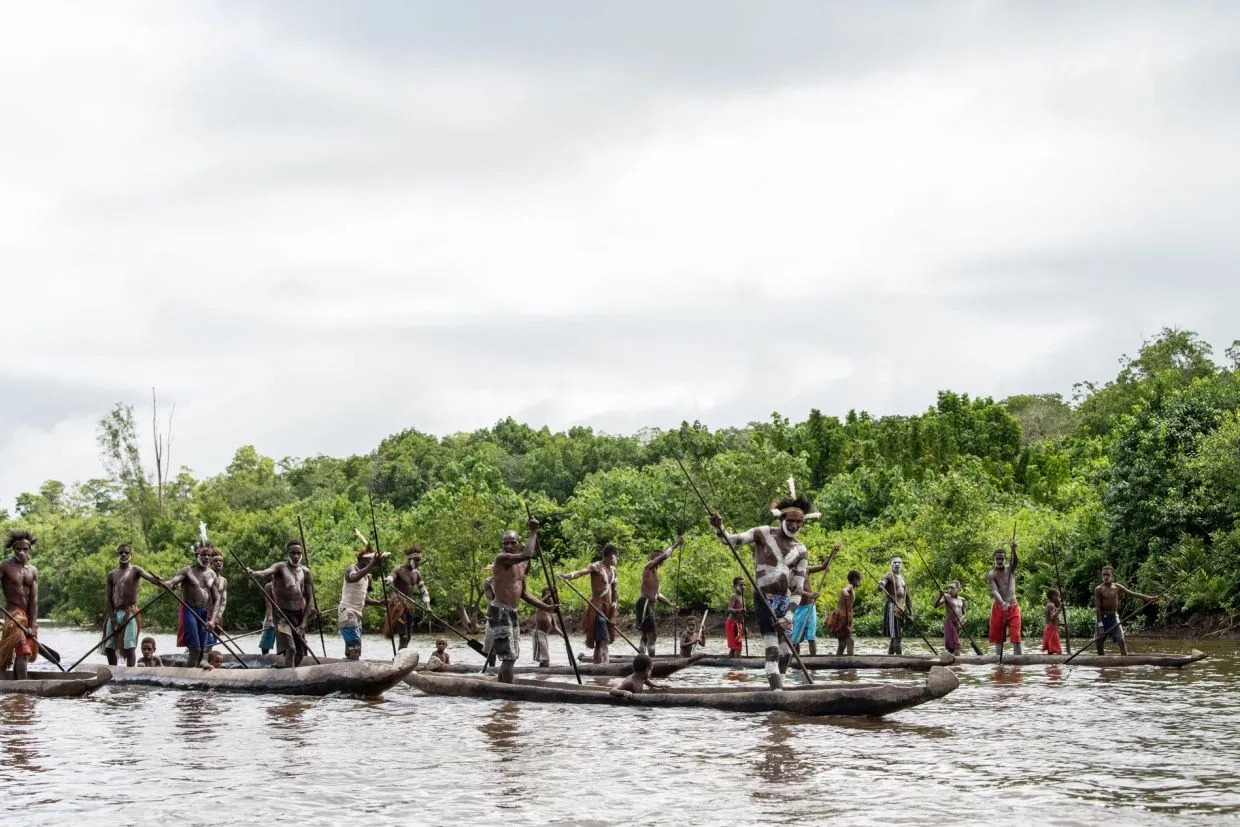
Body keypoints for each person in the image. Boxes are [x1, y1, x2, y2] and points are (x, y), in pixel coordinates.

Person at [709, 490, 815, 690]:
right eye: (791, 520)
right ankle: (776, 692)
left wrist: (789, 617)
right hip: (765, 599)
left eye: (799, 523)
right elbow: (731, 540)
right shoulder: (763, 533)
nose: (794, 525)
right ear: (782, 517)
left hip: (786, 602)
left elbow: (798, 588)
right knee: (773, 650)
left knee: (787, 653)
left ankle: (780, 690)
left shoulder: (801, 549)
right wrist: (719, 527)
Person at [491, 521, 557, 683]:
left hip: (512, 612)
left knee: (512, 657)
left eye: (512, 543)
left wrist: (546, 606)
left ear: (518, 543)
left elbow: (524, 593)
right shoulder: (502, 559)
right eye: (505, 543)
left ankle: (503, 689)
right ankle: (509, 694)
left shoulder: (523, 565)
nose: (508, 546)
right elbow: (527, 553)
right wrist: (533, 532)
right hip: (499, 612)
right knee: (508, 658)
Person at [247, 540, 316, 668]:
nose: (295, 556)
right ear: (287, 553)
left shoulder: (306, 572)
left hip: (298, 615)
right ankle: (289, 675)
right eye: (292, 553)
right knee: (291, 649)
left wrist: (304, 623)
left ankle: (288, 670)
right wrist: (254, 573)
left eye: (298, 553)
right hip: (282, 615)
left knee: (301, 653)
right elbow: (265, 572)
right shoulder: (280, 567)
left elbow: (309, 599)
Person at [102, 543, 165, 667]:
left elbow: (150, 578)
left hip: (130, 612)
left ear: (131, 554)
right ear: (118, 555)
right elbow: (108, 599)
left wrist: (160, 582)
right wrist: (113, 620)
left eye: (126, 552)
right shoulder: (112, 574)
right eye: (121, 553)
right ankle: (113, 672)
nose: (124, 554)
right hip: (114, 613)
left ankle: (129, 673)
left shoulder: (136, 570)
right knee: (109, 647)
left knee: (129, 647)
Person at [559, 544, 620, 664]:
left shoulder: (613, 571)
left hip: (608, 608)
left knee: (603, 641)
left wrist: (614, 606)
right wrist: (568, 576)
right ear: (609, 556)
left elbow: (615, 591)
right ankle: (603, 669)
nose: (617, 559)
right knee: (602, 640)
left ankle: (601, 668)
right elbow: (581, 572)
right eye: (615, 556)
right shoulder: (596, 567)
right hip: (597, 607)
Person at [165, 542, 220, 668]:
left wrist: (212, 620)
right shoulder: (187, 571)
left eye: (209, 555)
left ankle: (197, 675)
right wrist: (169, 583)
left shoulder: (212, 574)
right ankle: (189, 677)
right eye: (204, 555)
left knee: (202, 649)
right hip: (190, 610)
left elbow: (217, 599)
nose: (207, 558)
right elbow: (174, 581)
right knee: (195, 649)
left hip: (205, 612)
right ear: (197, 555)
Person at [634, 536, 684, 656]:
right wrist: (676, 545)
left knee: (646, 633)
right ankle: (650, 658)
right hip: (644, 603)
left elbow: (657, 594)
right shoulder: (648, 566)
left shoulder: (655, 573)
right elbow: (665, 555)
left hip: (649, 604)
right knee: (652, 633)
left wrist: (671, 605)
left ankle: (643, 657)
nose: (662, 561)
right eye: (660, 559)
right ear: (654, 559)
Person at [0, 530, 40, 680]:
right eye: (18, 549)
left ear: (29, 549)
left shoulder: (33, 570)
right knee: (23, 650)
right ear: (13, 549)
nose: (22, 552)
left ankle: (17, 689)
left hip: (27, 617)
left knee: (23, 652)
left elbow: (34, 599)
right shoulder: (5, 566)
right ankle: (23, 688)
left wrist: (33, 624)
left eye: (25, 549)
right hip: (12, 615)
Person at [339, 540, 388, 660]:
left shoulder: (367, 577)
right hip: (347, 612)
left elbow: (365, 599)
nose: (372, 564)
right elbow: (353, 578)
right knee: (354, 645)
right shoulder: (351, 569)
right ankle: (351, 671)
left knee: (356, 648)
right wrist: (373, 564)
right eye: (370, 561)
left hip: (358, 614)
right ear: (363, 560)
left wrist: (379, 602)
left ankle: (348, 667)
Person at [791, 544, 841, 655]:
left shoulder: (806, 570)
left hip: (810, 607)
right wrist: (810, 594)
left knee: (811, 636)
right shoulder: (790, 575)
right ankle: (795, 659)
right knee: (795, 639)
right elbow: (796, 591)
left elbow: (823, 566)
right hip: (798, 608)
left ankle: (813, 659)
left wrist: (832, 553)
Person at [1094, 566, 1156, 656]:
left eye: (1108, 575)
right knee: (1099, 642)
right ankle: (1101, 662)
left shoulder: (1117, 587)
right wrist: (1100, 625)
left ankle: (1124, 659)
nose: (1105, 577)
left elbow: (1131, 593)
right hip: (1102, 618)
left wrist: (1147, 598)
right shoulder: (1098, 589)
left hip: (1113, 618)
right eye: (1103, 575)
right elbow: (1098, 608)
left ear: (1112, 576)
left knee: (1121, 640)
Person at [385, 544, 430, 650]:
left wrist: (428, 606)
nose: (418, 562)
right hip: (398, 605)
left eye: (419, 560)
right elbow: (392, 575)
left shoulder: (417, 574)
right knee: (403, 635)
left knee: (408, 636)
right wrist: (389, 580)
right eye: (416, 560)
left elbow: (424, 591)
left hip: (409, 606)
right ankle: (400, 658)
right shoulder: (399, 569)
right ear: (410, 559)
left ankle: (401, 656)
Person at [987, 541, 1021, 656]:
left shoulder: (1010, 569)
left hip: (1013, 606)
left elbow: (1015, 561)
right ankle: (998, 659)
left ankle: (1017, 660)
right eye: (998, 559)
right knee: (998, 637)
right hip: (999, 607)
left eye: (1002, 559)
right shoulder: (991, 574)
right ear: (994, 559)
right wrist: (1002, 603)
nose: (1000, 561)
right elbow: (994, 590)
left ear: (1005, 559)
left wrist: (1014, 550)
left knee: (1016, 635)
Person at [877, 556, 914, 655]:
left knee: (895, 637)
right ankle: (900, 660)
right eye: (895, 562)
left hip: (901, 609)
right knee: (897, 637)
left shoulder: (902, 578)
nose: (897, 564)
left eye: (899, 563)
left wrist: (911, 614)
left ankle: (890, 659)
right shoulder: (888, 576)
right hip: (892, 608)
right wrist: (880, 585)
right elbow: (882, 585)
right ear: (891, 564)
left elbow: (908, 598)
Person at [826, 570, 862, 656]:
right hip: (842, 617)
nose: (861, 582)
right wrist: (845, 591)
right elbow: (845, 589)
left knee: (842, 643)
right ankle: (847, 660)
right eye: (860, 580)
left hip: (845, 616)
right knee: (846, 640)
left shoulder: (852, 588)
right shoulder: (849, 586)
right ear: (855, 579)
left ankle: (839, 658)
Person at [934, 580, 966, 656]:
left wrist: (961, 621)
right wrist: (940, 596)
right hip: (949, 623)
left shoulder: (962, 600)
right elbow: (936, 605)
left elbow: (964, 614)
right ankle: (957, 664)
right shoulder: (946, 597)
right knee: (957, 646)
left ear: (958, 589)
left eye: (952, 588)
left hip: (958, 625)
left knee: (951, 648)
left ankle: (949, 663)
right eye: (949, 588)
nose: (950, 590)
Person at [532, 586, 560, 667]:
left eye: (551, 599)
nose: (550, 600)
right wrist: (548, 594)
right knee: (545, 659)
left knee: (544, 658)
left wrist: (563, 636)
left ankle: (541, 674)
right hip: (538, 634)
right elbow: (539, 602)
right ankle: (544, 671)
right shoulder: (540, 607)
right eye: (548, 598)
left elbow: (555, 627)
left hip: (544, 636)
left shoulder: (551, 613)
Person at [725, 577, 746, 657]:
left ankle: (730, 663)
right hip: (732, 623)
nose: (743, 587)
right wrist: (739, 610)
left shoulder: (743, 598)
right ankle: (737, 667)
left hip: (739, 624)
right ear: (735, 586)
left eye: (744, 585)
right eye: (741, 585)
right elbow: (729, 609)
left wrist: (744, 626)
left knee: (734, 648)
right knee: (738, 647)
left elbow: (743, 614)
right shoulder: (734, 596)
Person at [1042, 588, 1064, 655]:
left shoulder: (1048, 604)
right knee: (1058, 650)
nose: (1058, 598)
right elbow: (1052, 617)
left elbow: (1051, 619)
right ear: (1053, 596)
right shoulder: (1051, 605)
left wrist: (1061, 624)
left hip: (1048, 628)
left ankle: (1050, 665)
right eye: (1057, 596)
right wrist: (1060, 608)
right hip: (1052, 629)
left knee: (1050, 650)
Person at [258, 583, 277, 655]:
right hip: (271, 615)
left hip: (284, 617)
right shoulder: (269, 586)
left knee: (286, 644)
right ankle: (264, 658)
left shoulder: (287, 585)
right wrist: (270, 620)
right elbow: (268, 604)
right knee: (265, 643)